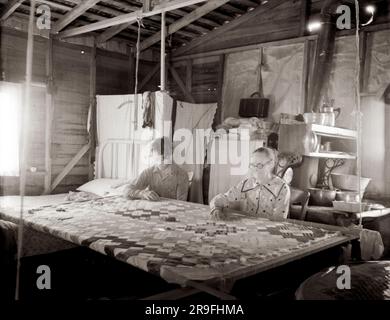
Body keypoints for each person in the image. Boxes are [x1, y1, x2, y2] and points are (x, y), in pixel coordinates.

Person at [210, 147, 290, 220]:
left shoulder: (282, 188)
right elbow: (223, 198)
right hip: (248, 228)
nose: (255, 169)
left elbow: (279, 220)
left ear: (271, 164)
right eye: (252, 165)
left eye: (259, 165)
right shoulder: (246, 184)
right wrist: (216, 208)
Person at [123, 137, 189, 201]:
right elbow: (126, 191)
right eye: (157, 157)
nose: (160, 161)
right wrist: (142, 193)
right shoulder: (148, 172)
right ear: (152, 154)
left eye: (164, 157)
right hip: (152, 209)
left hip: (172, 210)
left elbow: (181, 203)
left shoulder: (182, 175)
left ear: (171, 154)